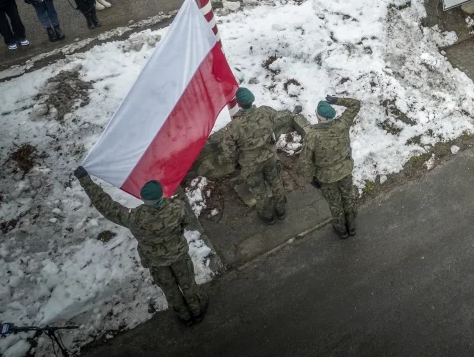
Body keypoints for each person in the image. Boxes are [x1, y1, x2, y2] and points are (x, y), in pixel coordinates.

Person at [73, 169, 207, 325]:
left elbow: (106, 206)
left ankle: (184, 316)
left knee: (170, 290)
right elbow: (188, 221)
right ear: (160, 195)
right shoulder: (176, 208)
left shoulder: (134, 218)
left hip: (155, 261)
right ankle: (197, 310)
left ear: (143, 198)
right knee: (188, 283)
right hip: (179, 256)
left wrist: (85, 180)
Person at [221, 87, 305, 224]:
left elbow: (229, 150)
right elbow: (276, 119)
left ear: (239, 104)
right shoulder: (266, 111)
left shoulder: (233, 126)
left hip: (250, 165)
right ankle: (281, 210)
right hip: (270, 157)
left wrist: (236, 162)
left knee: (259, 191)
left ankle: (267, 216)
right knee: (276, 183)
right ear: (252, 99)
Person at [301, 95, 362, 239]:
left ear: (319, 117)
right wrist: (337, 100)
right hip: (345, 171)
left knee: (335, 203)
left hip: (326, 177)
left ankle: (341, 230)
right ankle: (351, 226)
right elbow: (356, 104)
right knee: (347, 197)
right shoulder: (342, 124)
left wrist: (310, 178)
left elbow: (305, 161)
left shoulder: (312, 136)